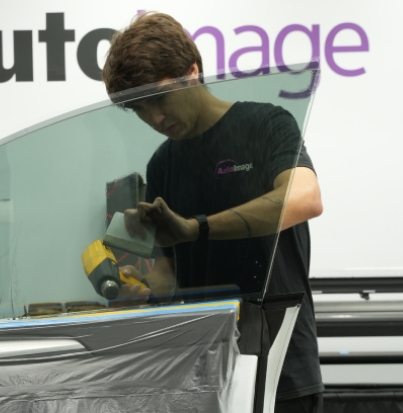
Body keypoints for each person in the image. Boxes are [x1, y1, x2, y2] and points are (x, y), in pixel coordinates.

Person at [101, 12, 324, 413]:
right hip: (204, 369)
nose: (155, 118)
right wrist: (146, 288)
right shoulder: (163, 164)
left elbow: (305, 198)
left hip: (279, 363)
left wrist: (196, 228)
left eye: (159, 99)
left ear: (192, 72)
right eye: (140, 109)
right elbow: (173, 273)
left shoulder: (265, 123)